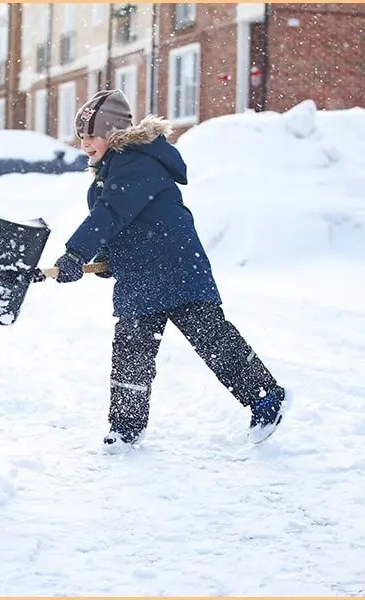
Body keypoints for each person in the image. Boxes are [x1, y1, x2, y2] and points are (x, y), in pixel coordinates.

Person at [42, 89, 290, 452]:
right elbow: (116, 224)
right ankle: (125, 428)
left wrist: (75, 253)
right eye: (81, 136)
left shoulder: (137, 163)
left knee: (213, 341)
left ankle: (266, 397)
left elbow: (110, 213)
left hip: (176, 269)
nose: (85, 144)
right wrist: (108, 258)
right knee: (131, 354)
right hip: (139, 278)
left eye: (91, 135)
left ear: (113, 133)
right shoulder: (106, 176)